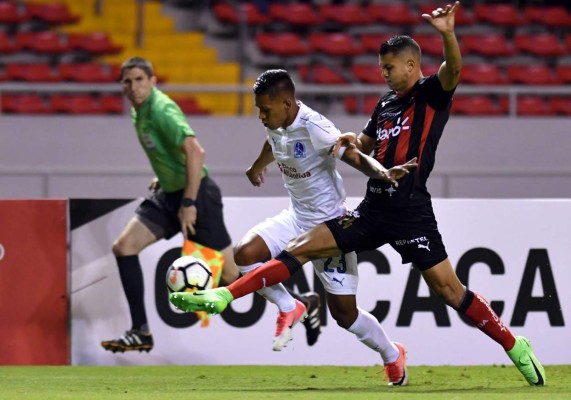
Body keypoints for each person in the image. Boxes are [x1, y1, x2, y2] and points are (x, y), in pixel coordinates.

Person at [170, 2, 546, 387]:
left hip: (412, 211)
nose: (383, 74)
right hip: (371, 210)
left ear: (412, 66)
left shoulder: (431, 94)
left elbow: (455, 70)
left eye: (389, 67)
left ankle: (514, 344)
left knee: (450, 290)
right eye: (381, 67)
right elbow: (363, 144)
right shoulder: (384, 105)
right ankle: (225, 297)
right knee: (299, 247)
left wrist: (448, 34)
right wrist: (355, 142)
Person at [175, 69, 418, 384]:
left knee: (345, 315)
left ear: (288, 104)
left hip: (331, 226)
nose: (261, 116)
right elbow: (273, 141)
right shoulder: (278, 123)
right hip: (296, 217)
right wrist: (257, 166)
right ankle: (291, 305)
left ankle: (391, 353)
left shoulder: (316, 128)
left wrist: (383, 173)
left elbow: (355, 157)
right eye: (258, 109)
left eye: (266, 110)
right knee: (245, 253)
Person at [100, 57, 241, 353]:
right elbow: (172, 153)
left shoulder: (161, 109)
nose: (133, 86)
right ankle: (140, 332)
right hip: (169, 195)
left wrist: (189, 202)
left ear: (152, 81)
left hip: (197, 196)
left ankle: (296, 298)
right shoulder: (138, 112)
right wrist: (163, 174)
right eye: (127, 81)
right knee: (124, 247)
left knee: (231, 276)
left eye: (139, 79)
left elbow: (195, 152)